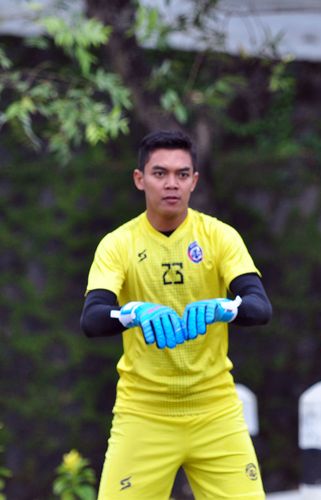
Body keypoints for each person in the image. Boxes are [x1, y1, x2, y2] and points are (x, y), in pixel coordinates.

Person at [80, 130, 272, 499]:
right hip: (144, 413)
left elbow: (260, 306)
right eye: (160, 173)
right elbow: (92, 318)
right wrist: (131, 313)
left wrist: (225, 308)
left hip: (216, 412)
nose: (172, 184)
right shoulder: (118, 243)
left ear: (194, 181)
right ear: (140, 179)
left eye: (182, 174)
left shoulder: (219, 236)